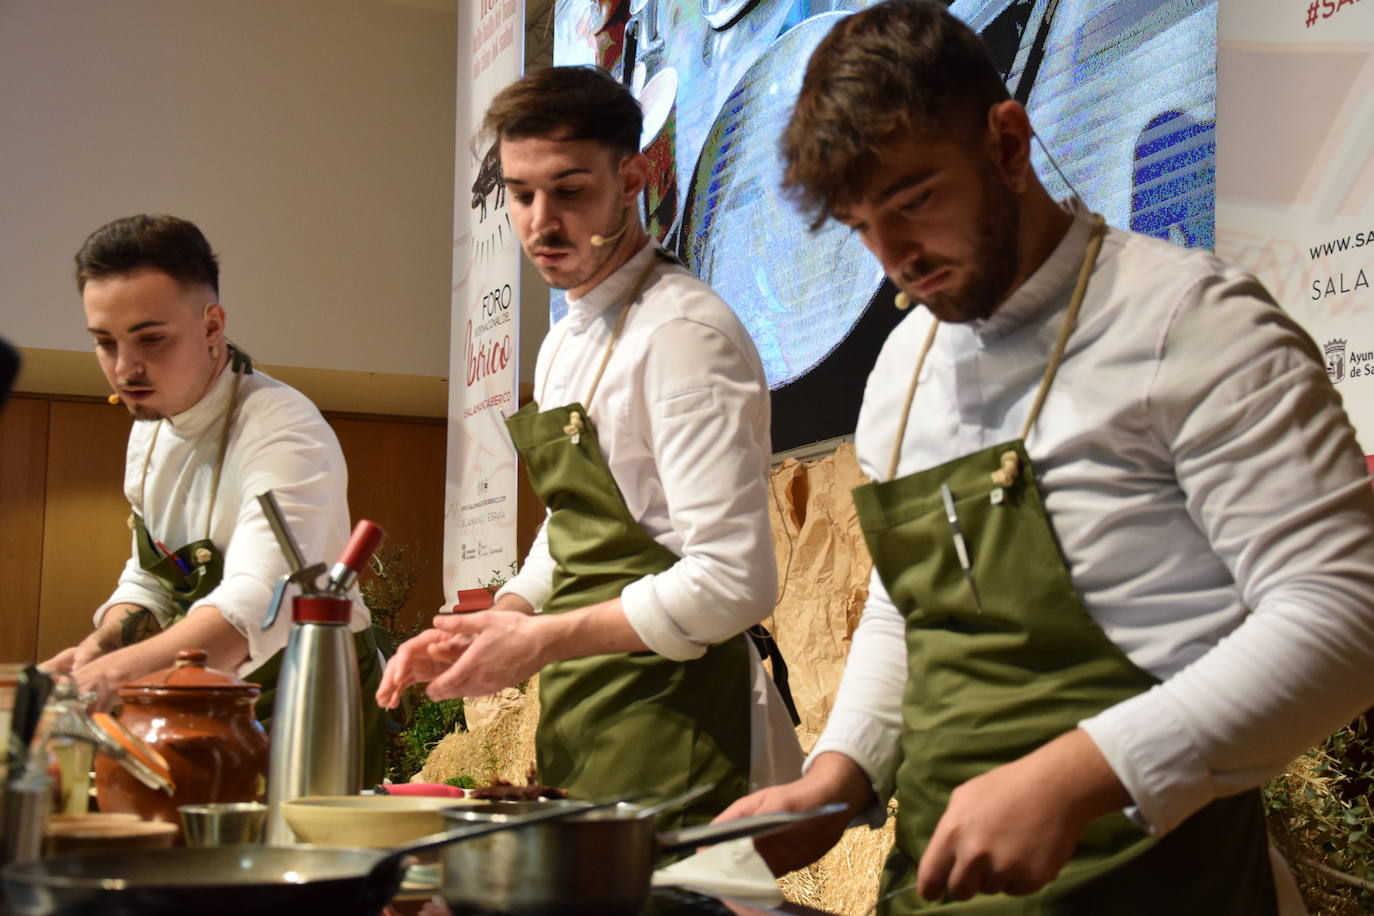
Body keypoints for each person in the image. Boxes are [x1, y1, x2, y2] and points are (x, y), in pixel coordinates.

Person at [714, 3, 1374, 913]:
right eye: (862, 225)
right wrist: (841, 776)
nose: (896, 257)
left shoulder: (1193, 324)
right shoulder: (904, 371)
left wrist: (1079, 773)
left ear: (1010, 143)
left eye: (914, 201)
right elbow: (913, 610)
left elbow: (1345, 616)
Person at [376, 66, 803, 828]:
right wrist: (501, 619)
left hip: (681, 724)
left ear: (634, 178)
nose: (541, 221)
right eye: (520, 192)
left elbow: (735, 582)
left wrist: (540, 641)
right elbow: (572, 530)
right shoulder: (566, 341)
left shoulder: (683, 336)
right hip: (589, 715)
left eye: (569, 190)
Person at [42, 214, 386, 785]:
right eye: (105, 343)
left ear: (212, 325)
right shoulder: (149, 427)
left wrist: (113, 677)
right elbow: (152, 573)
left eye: (151, 340)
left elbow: (254, 607)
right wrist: (98, 649)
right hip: (203, 701)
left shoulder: (283, 429)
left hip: (304, 704)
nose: (125, 369)